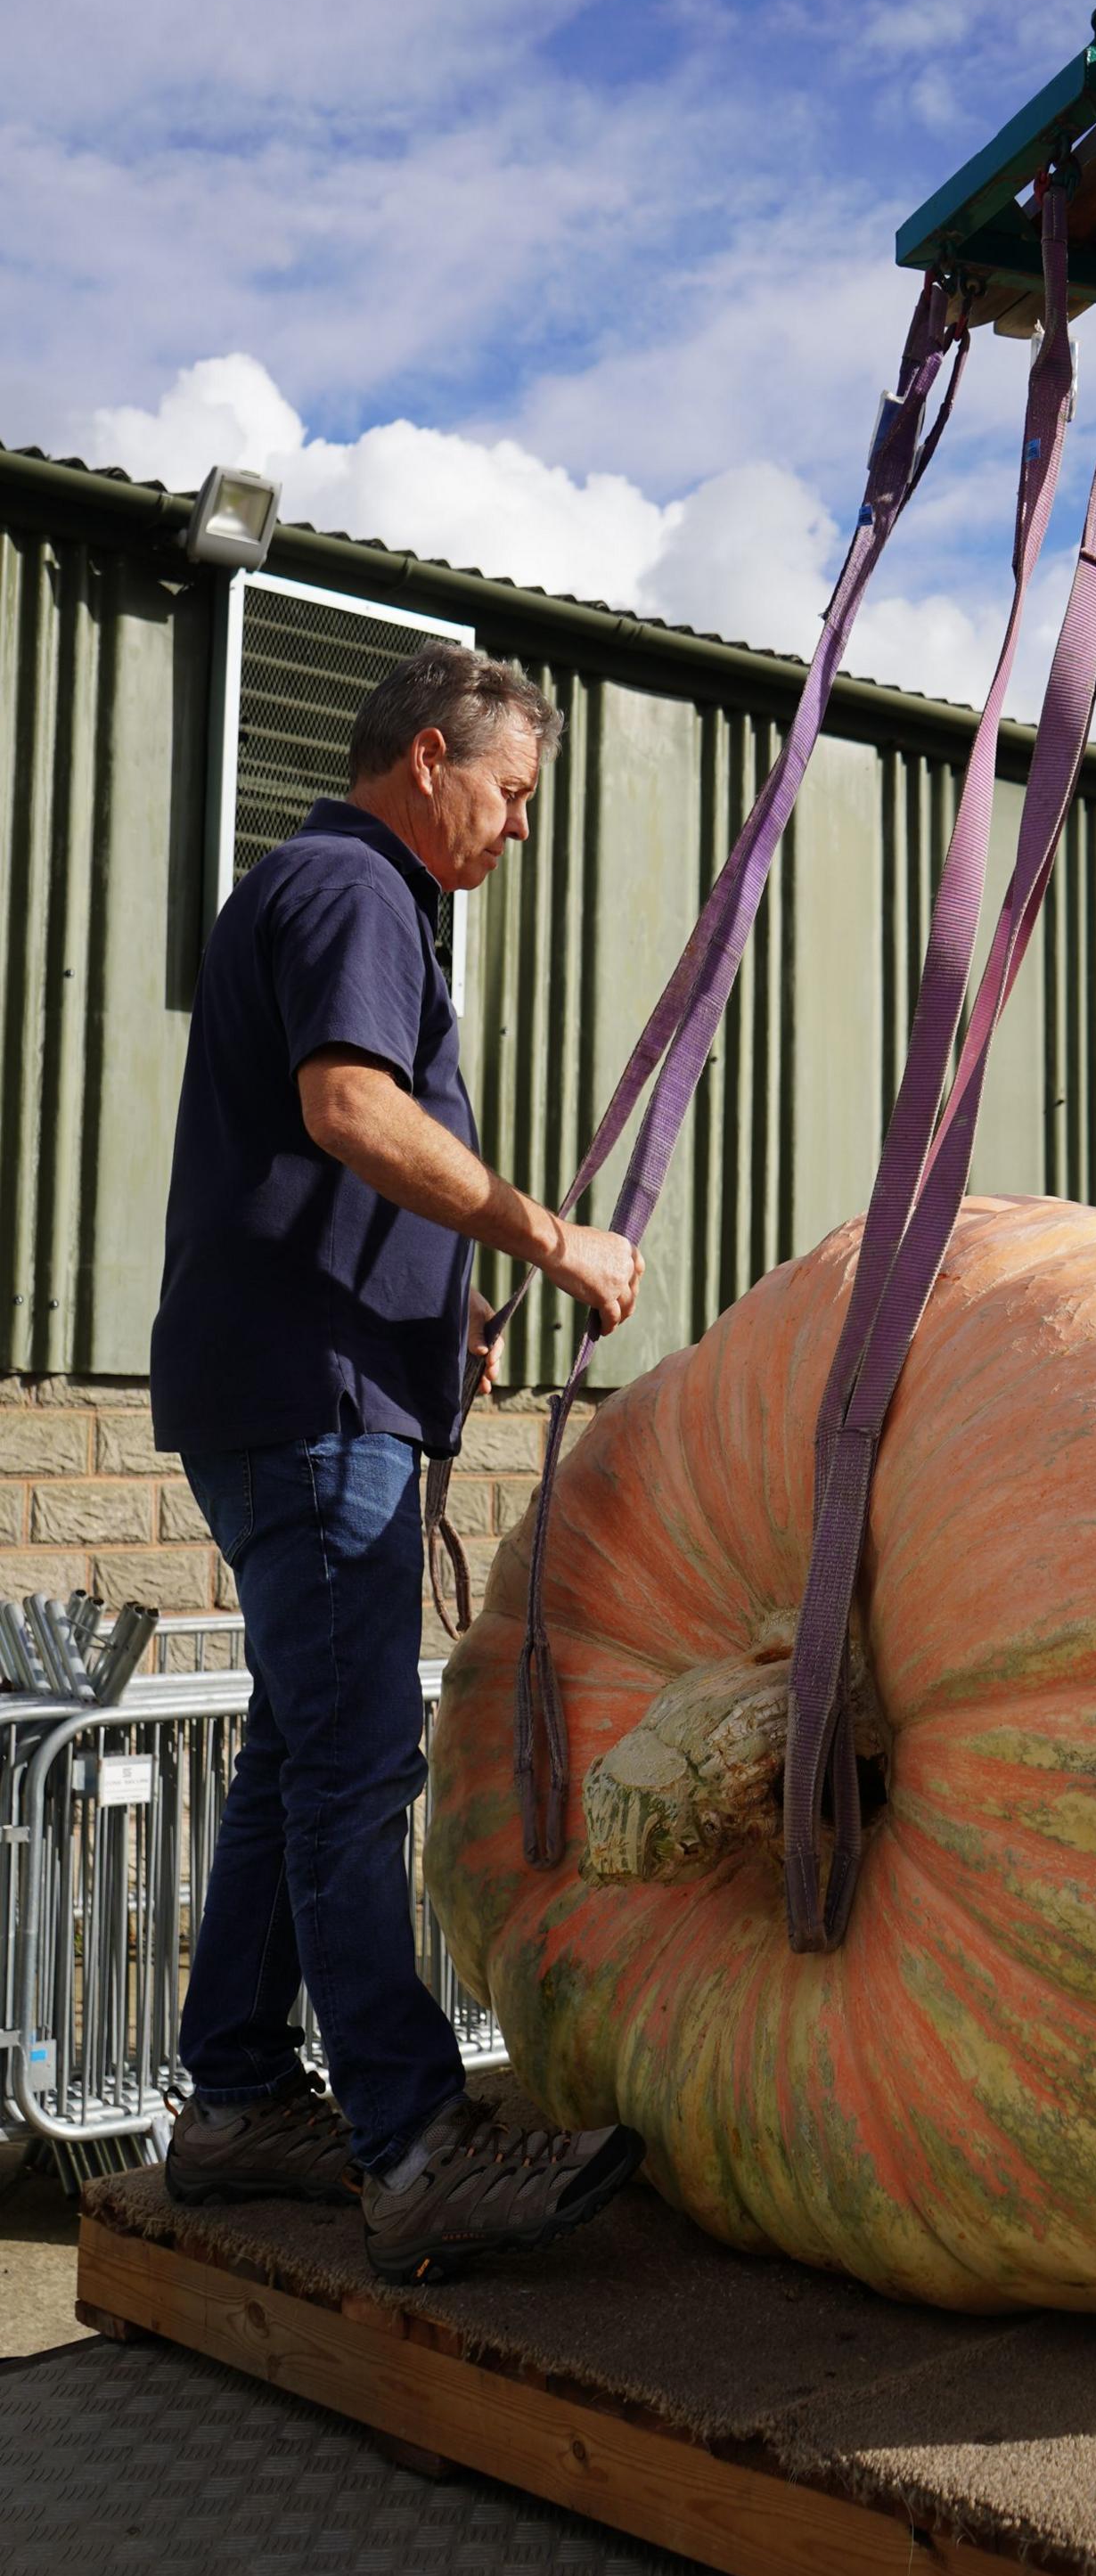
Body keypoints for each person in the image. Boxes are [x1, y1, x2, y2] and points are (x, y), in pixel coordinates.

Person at [151, 643, 646, 2283]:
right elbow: (353, 1109)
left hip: (290, 1387)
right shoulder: (357, 885)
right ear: (429, 759)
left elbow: (330, 1161)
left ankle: (231, 2110)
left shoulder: (321, 888)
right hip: (316, 1407)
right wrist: (542, 1233)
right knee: (357, 1777)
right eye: (511, 795)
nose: (519, 830)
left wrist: (450, 1304)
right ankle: (416, 2146)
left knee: (295, 1766)